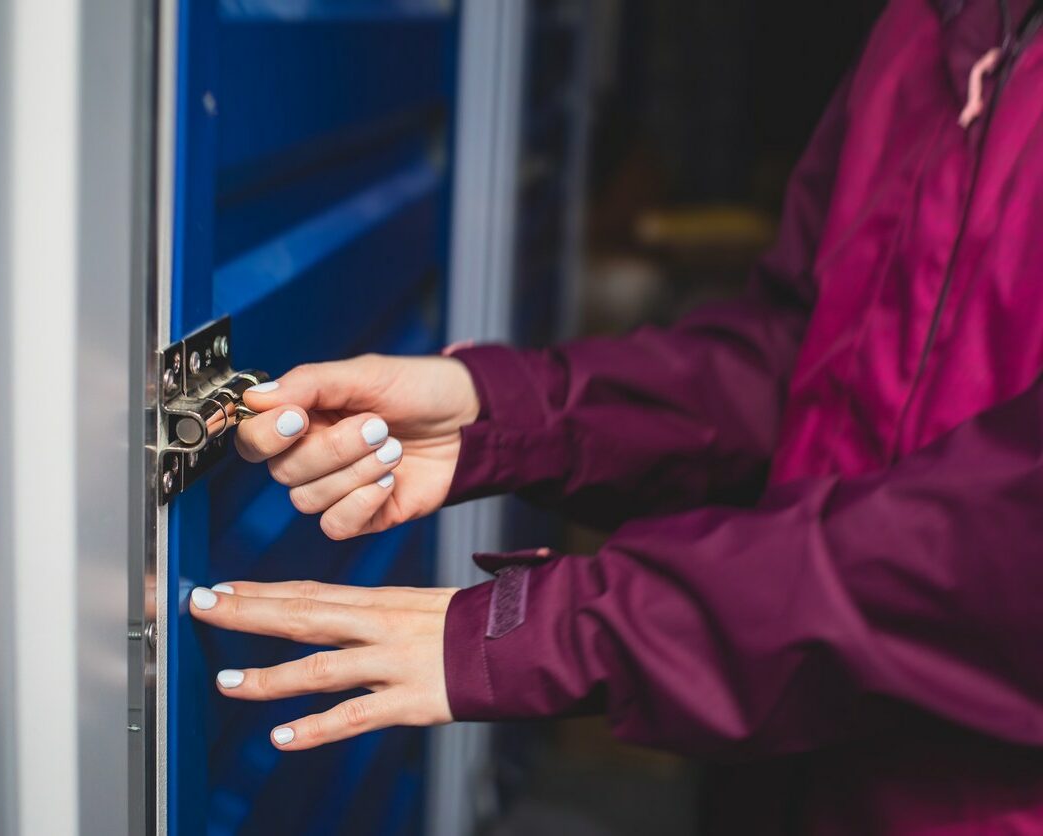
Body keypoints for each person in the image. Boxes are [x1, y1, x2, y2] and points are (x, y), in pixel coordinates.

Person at [188, 0, 1043, 831]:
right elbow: (797, 361)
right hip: (791, 781)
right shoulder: (923, 25)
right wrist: (499, 414)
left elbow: (1003, 549)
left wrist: (563, 631)